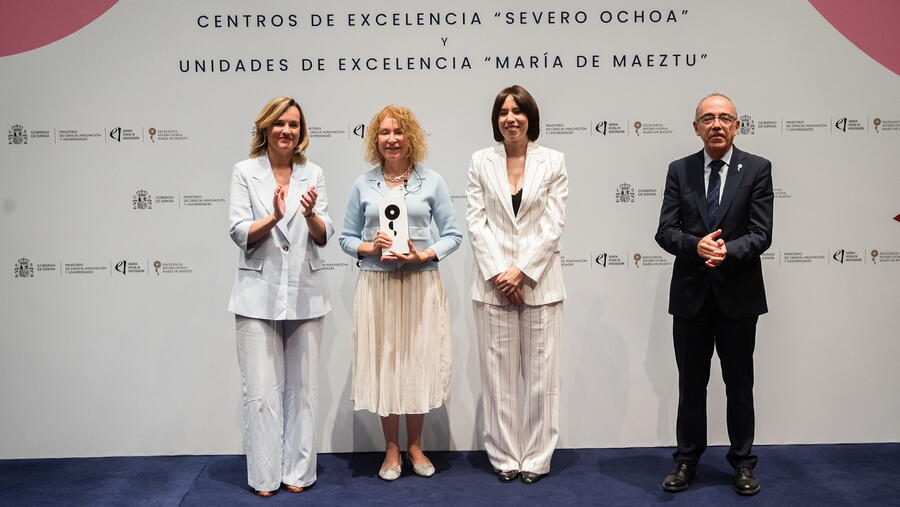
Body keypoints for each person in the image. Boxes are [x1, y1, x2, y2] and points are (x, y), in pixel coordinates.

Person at [655, 93, 773, 496]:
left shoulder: (757, 169)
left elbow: (761, 233)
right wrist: (696, 246)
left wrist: (727, 252)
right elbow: (665, 231)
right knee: (691, 385)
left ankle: (742, 463)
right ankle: (686, 460)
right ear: (696, 128)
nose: (717, 125)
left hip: (739, 295)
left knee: (739, 385)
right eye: (708, 118)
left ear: (737, 126)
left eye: (725, 118)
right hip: (691, 296)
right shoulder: (680, 170)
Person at [339, 105, 462, 481]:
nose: (391, 139)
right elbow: (345, 239)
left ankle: (416, 446)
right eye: (384, 132)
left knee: (417, 362)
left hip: (420, 284)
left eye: (398, 132)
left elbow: (453, 235)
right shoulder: (363, 184)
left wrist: (425, 254)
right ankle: (392, 448)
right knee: (386, 364)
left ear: (411, 138)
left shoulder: (432, 182)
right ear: (375, 140)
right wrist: (368, 246)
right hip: (377, 285)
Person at [227, 97, 334, 497]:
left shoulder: (313, 173)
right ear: (265, 128)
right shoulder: (245, 171)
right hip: (257, 294)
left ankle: (298, 472)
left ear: (301, 131)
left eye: (293, 124)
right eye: (279, 124)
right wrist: (273, 217)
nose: (286, 130)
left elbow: (324, 235)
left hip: (305, 292)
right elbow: (239, 231)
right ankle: (265, 476)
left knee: (304, 389)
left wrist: (309, 215)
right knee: (260, 391)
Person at [466, 85, 568, 485]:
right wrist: (501, 274)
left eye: (518, 111)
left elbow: (553, 225)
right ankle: (505, 456)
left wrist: (521, 271)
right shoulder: (480, 161)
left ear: (531, 118)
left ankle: (538, 459)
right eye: (503, 112)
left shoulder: (553, 161)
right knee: (498, 380)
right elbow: (476, 222)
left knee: (542, 381)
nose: (510, 118)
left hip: (540, 286)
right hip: (493, 287)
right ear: (496, 120)